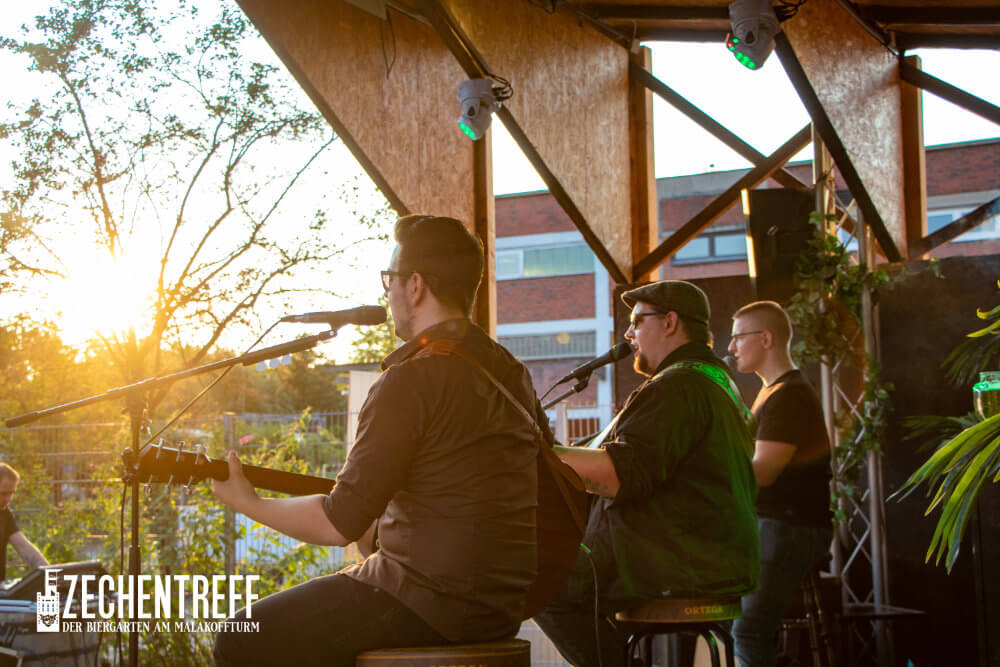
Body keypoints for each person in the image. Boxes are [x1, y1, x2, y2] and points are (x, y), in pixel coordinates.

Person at [212, 215, 546, 666]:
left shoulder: (412, 379)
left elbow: (337, 524)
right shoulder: (510, 373)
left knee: (242, 635)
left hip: (429, 601)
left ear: (415, 285)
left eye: (389, 279)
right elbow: (471, 491)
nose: (387, 294)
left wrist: (248, 503)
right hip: (499, 606)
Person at [534, 280, 760, 667]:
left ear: (670, 322)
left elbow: (620, 474)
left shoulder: (679, 385)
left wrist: (538, 454)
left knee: (540, 576)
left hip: (671, 562)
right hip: (707, 558)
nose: (628, 334)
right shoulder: (713, 380)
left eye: (637, 321)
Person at [727, 300, 833, 667]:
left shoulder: (789, 395)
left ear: (766, 339)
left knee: (747, 632)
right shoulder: (770, 392)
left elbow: (763, 473)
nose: (731, 347)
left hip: (788, 527)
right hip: (773, 525)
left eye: (739, 337)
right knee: (728, 623)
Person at [0, 463, 49, 582]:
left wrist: (51, 575)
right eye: (3, 493)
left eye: (11, 493)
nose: (8, 499)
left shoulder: (5, 513)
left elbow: (23, 547)